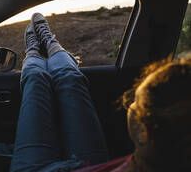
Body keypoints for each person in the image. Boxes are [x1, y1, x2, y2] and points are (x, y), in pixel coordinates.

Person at [10, 13, 191, 172]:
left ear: (143, 132)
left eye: (133, 103)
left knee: (38, 79)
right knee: (68, 77)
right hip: (88, 163)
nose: (129, 103)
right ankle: (49, 42)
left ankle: (34, 49)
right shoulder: (156, 159)